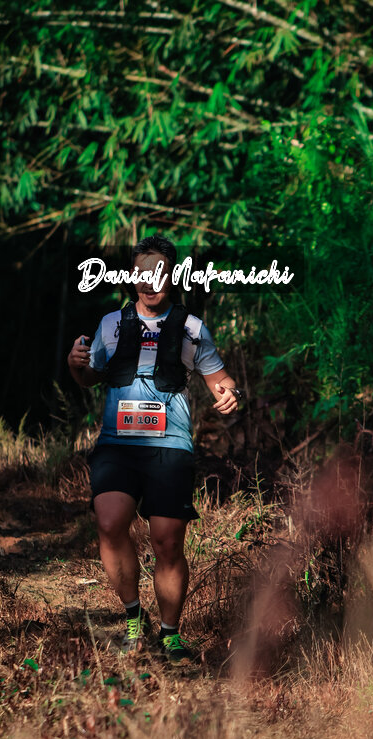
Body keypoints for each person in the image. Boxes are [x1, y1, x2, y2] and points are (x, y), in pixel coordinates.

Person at [67, 234, 239, 665]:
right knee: (110, 523)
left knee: (167, 542)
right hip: (117, 445)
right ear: (131, 277)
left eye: (159, 273)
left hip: (170, 448)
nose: (150, 281)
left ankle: (170, 635)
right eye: (142, 273)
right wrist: (76, 367)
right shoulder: (111, 324)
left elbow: (220, 380)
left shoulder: (192, 328)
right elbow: (89, 377)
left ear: (173, 275)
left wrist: (230, 394)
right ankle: (133, 617)